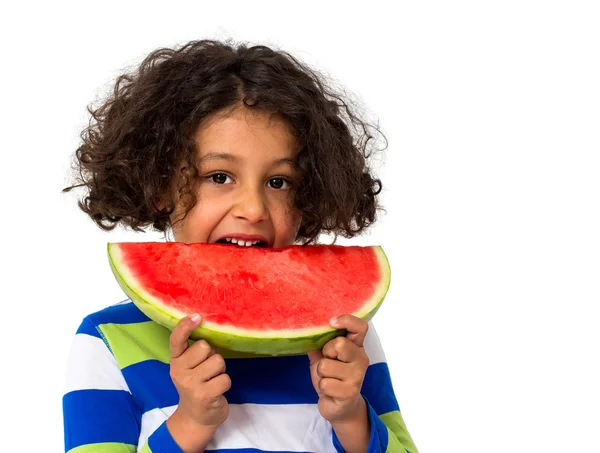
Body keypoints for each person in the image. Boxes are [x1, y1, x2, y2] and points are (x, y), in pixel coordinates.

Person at [62, 39, 418, 453]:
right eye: (218, 176)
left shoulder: (342, 337)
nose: (253, 208)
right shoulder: (106, 339)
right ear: (159, 184)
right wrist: (189, 423)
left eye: (278, 182)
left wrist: (352, 417)